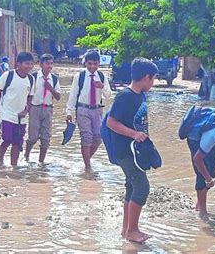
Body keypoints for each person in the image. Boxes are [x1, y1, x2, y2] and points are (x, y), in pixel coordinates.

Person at [106, 57, 158, 244]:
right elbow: (111, 122)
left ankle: (126, 228)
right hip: (125, 150)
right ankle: (132, 231)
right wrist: (134, 134)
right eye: (153, 79)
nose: (153, 83)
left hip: (135, 151)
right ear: (146, 77)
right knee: (142, 187)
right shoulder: (125, 96)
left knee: (131, 186)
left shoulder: (139, 95)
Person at [66, 49, 112, 170]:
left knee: (98, 138)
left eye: (95, 64)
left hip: (97, 110)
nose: (92, 66)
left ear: (99, 64)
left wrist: (102, 87)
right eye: (90, 63)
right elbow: (73, 95)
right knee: (86, 137)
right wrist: (69, 112)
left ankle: (86, 160)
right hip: (83, 109)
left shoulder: (101, 76)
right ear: (85, 63)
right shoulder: (79, 76)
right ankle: (87, 167)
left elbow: (108, 95)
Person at [0, 52, 35, 167]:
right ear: (18, 64)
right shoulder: (8, 76)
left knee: (17, 143)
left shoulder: (31, 79)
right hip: (6, 114)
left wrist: (26, 110)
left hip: (21, 117)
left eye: (31, 64)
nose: (29, 66)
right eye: (27, 64)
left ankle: (14, 166)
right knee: (6, 139)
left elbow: (31, 96)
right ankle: (0, 161)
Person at [24, 54, 62, 166]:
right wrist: (27, 108)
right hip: (35, 108)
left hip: (48, 109)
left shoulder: (54, 79)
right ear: (41, 64)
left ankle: (41, 162)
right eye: (47, 63)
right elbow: (26, 93)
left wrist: (50, 88)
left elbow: (58, 97)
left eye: (51, 63)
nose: (49, 66)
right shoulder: (33, 77)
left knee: (46, 138)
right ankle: (26, 156)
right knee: (33, 137)